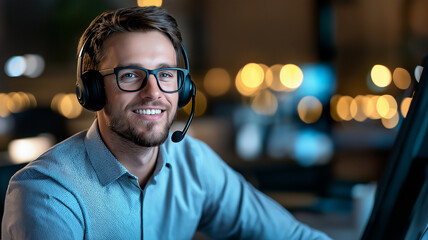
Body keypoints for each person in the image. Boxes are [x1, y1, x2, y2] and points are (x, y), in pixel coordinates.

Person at [2, 6, 331, 239]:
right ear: (92, 90)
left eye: (166, 74)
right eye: (130, 75)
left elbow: (295, 235)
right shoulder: (45, 193)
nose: (153, 92)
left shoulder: (194, 164)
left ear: (183, 86)